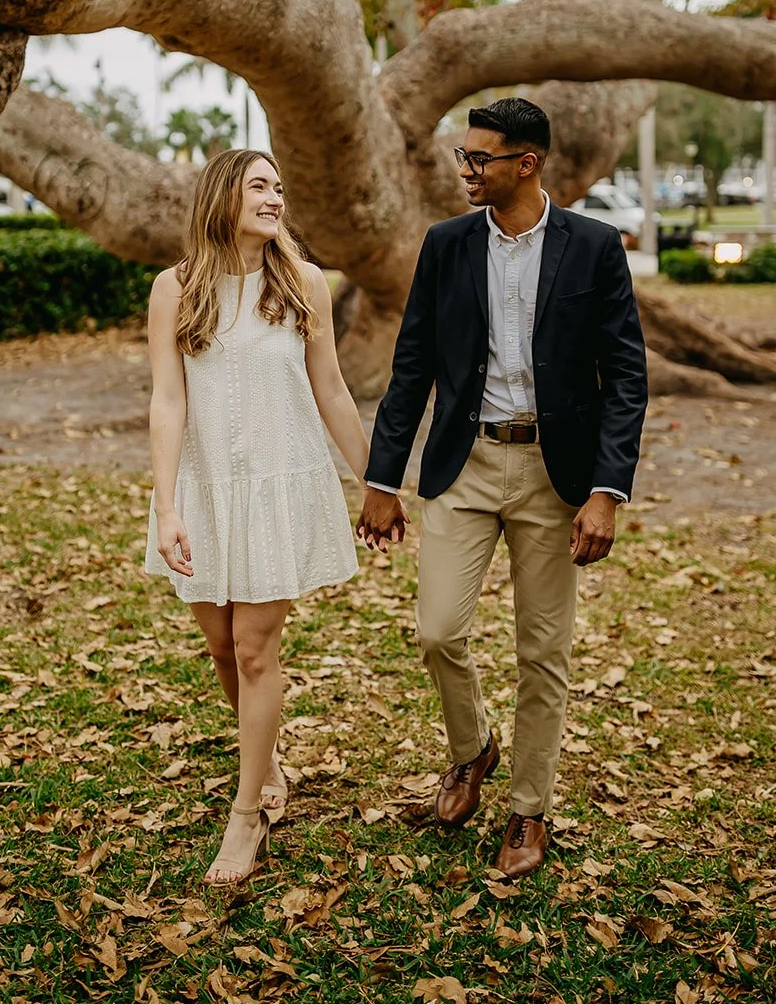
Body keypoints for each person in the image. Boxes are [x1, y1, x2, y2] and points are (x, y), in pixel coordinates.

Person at [357, 98, 648, 880]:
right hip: (465, 463)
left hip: (556, 475)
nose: (464, 171)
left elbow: (624, 376)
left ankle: (527, 810)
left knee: (542, 652)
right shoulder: (446, 246)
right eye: (463, 156)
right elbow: (411, 365)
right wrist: (382, 479)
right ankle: (471, 749)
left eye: (478, 159)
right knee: (437, 631)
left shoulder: (591, 247)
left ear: (526, 163)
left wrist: (605, 490)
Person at [145, 148, 368, 884]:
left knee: (252, 648)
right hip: (205, 490)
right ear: (224, 198)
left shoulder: (302, 281)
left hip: (278, 483)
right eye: (260, 187)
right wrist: (167, 505)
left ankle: (248, 815)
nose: (275, 198)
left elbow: (332, 389)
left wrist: (377, 482)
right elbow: (168, 401)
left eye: (280, 187)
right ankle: (264, 757)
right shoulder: (174, 289)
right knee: (218, 642)